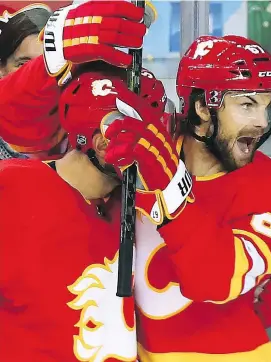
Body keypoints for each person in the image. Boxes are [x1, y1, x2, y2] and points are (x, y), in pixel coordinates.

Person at [99, 35, 271, 361]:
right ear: (201, 107)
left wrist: (170, 185)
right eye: (247, 104)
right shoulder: (152, 151)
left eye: (268, 105)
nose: (262, 122)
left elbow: (214, 281)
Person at [0, 68, 168, 362]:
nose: (160, 152)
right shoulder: (11, 189)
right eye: (147, 139)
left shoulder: (143, 209)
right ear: (104, 143)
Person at [0, 0, 149, 158]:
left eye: (63, 67)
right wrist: (48, 64)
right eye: (23, 64)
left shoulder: (88, 116)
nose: (50, 78)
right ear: (1, 69)